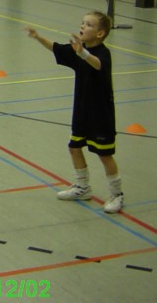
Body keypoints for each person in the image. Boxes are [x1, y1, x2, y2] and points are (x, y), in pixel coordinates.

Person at [25, 11, 123, 213]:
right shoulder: (80, 49)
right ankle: (82, 187)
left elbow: (97, 64)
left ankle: (117, 195)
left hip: (101, 113)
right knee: (74, 147)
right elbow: (56, 48)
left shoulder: (102, 54)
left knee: (104, 154)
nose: (83, 26)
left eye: (89, 24)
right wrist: (38, 37)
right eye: (83, 23)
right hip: (82, 110)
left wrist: (82, 54)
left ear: (100, 33)